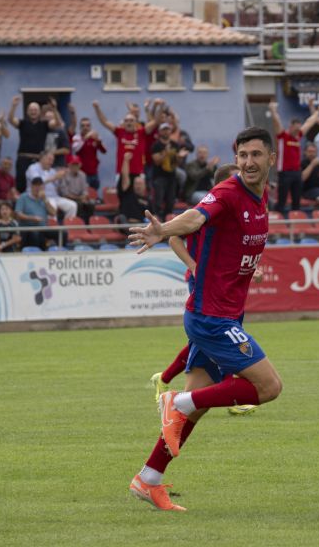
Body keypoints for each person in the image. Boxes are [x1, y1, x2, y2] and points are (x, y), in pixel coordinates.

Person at [127, 127, 283, 512]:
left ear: (271, 159)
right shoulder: (229, 192)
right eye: (242, 154)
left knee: (196, 408)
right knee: (268, 387)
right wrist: (164, 230)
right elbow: (197, 218)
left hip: (225, 313)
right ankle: (176, 400)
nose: (247, 161)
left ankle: (148, 479)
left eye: (255, 155)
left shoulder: (261, 197)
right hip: (211, 317)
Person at [150, 163, 260, 416]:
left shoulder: (234, 210)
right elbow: (174, 237)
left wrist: (253, 267)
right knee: (215, 337)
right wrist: (193, 265)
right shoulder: (206, 211)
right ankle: (216, 392)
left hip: (223, 285)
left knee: (211, 340)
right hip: (203, 283)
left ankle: (174, 387)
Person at [269, 101, 319, 212]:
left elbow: (309, 122)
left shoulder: (298, 136)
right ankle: (277, 222)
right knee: (282, 201)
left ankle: (295, 223)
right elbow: (276, 122)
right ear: (291, 126)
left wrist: (318, 112)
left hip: (297, 173)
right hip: (284, 173)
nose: (298, 130)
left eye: (299, 128)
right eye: (296, 128)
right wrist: (273, 111)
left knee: (296, 201)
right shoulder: (283, 136)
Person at [9, 96, 59, 192]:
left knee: (38, 186)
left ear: (39, 112)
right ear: (27, 112)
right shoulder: (22, 123)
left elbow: (57, 123)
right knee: (21, 186)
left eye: (35, 110)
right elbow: (11, 120)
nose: (33, 112)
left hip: (38, 160)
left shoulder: (45, 124)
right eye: (31, 110)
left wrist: (54, 109)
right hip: (23, 159)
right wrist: (13, 106)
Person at [150, 123, 189, 219]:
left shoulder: (175, 145)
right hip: (159, 177)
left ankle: (168, 220)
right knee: (158, 201)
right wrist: (165, 152)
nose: (166, 131)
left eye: (167, 129)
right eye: (164, 129)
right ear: (160, 132)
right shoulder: (156, 145)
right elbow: (156, 161)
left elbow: (178, 162)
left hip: (172, 176)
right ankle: (158, 220)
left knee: (170, 201)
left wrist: (180, 157)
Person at [25, 151, 77, 220]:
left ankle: (67, 229)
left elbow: (59, 187)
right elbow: (37, 182)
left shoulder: (52, 171)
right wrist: (55, 177)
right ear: (42, 158)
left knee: (73, 205)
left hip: (55, 197)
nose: (51, 162)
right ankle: (52, 229)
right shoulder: (33, 168)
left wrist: (63, 177)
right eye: (49, 159)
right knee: (52, 206)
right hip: (40, 197)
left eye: (52, 160)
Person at [15, 176, 59, 249]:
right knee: (36, 234)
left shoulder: (44, 199)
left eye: (40, 186)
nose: (38, 188)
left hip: (43, 228)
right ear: (31, 186)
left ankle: (60, 253)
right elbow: (18, 214)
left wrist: (45, 200)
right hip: (27, 228)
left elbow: (54, 213)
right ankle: (39, 254)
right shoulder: (23, 197)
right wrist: (32, 218)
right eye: (36, 185)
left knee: (62, 233)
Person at [70, 115, 107, 190]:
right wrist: (85, 138)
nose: (85, 127)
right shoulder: (76, 138)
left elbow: (104, 151)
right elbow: (76, 149)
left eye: (87, 125)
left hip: (94, 172)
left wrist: (98, 140)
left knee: (94, 194)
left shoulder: (94, 138)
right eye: (83, 126)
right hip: (81, 173)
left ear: (90, 127)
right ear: (80, 127)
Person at [58, 155, 95, 222]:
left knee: (91, 203)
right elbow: (65, 193)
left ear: (80, 165)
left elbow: (85, 190)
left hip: (79, 197)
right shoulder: (65, 175)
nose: (75, 167)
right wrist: (79, 198)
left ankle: (89, 224)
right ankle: (77, 223)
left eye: (77, 164)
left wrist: (84, 197)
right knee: (78, 204)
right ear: (69, 165)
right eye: (73, 164)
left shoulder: (82, 175)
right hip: (68, 198)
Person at [117, 152, 150, 225]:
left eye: (140, 184)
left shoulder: (148, 200)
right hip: (130, 226)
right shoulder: (127, 194)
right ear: (133, 185)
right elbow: (125, 177)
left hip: (145, 227)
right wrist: (126, 160)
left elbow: (154, 215)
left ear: (145, 186)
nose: (138, 186)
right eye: (136, 184)